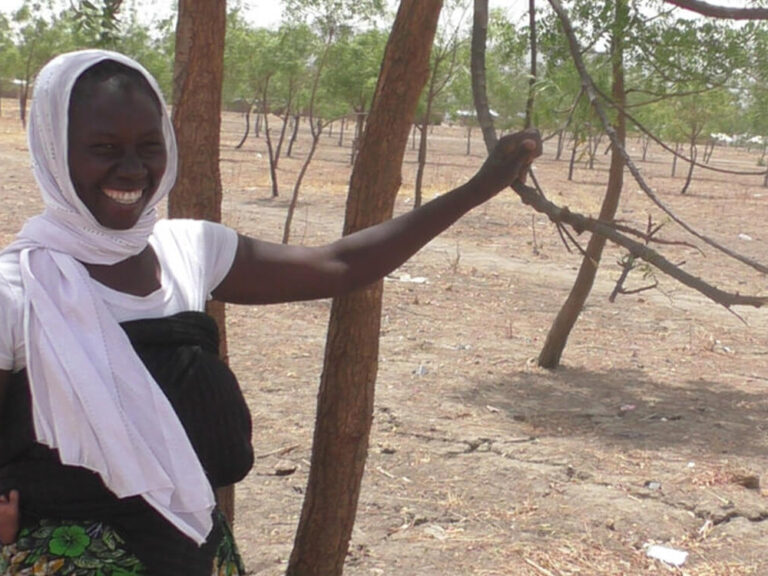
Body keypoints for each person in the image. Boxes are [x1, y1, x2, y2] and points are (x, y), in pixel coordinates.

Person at [0, 49, 541, 576]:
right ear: (53, 150)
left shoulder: (187, 250)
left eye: (149, 146)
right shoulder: (16, 290)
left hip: (194, 550)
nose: (133, 169)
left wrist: (475, 190)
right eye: (103, 147)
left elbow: (340, 264)